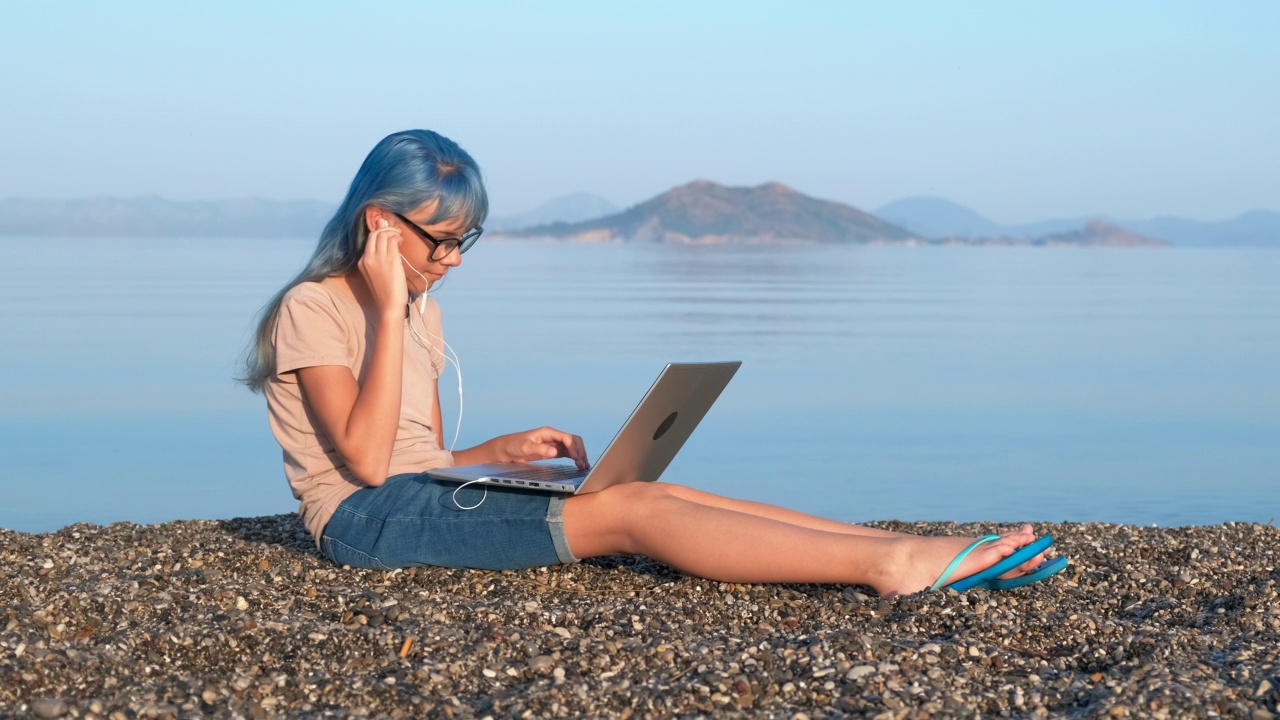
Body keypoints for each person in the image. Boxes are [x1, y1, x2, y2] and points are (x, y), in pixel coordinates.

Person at [240, 129, 1064, 597]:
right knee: (629, 516)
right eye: (441, 240)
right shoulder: (314, 308)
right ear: (381, 225)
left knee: (653, 491)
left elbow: (417, 458)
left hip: (413, 496)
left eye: (466, 240)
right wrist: (387, 308)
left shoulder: (418, 308)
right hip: (362, 524)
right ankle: (891, 568)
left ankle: (898, 544)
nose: (454, 259)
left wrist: (491, 455)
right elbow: (367, 464)